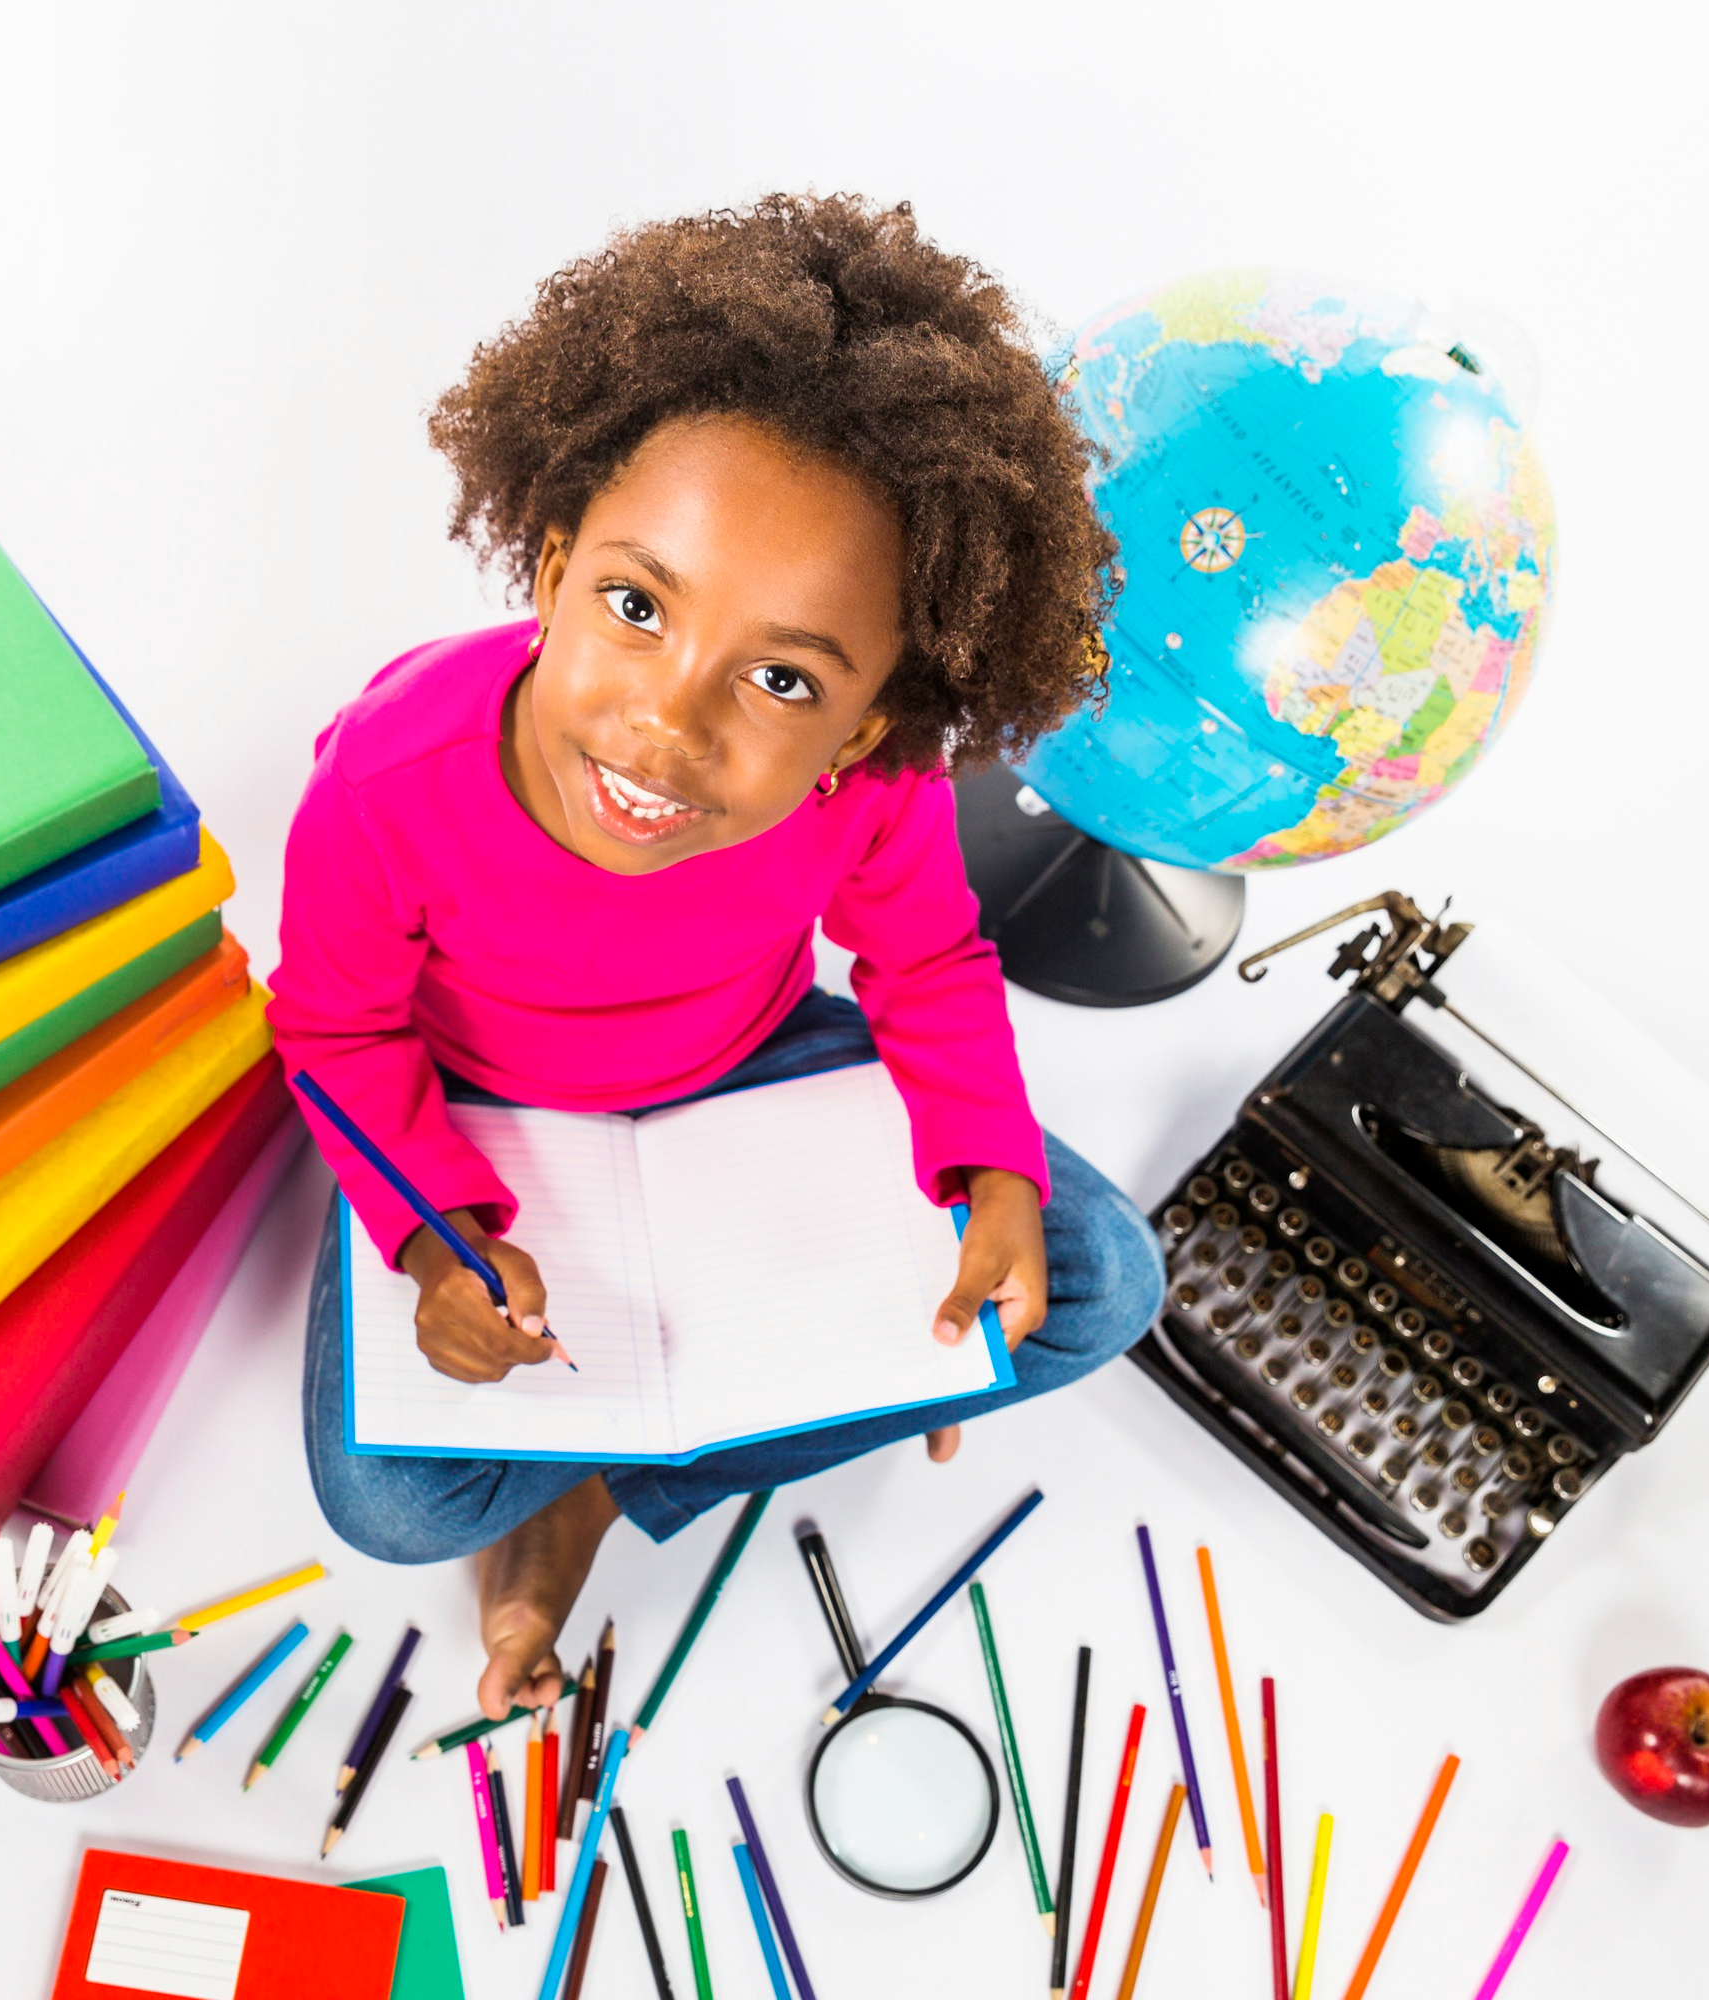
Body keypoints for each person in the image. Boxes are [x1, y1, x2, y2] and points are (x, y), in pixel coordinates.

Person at [269, 193, 1164, 1721]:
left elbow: (927, 962)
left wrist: (988, 1171)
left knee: (1099, 1282)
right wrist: (433, 1243)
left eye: (784, 680)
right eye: (636, 608)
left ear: (867, 728)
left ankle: (601, 1492)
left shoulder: (869, 791)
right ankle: (663, 1442)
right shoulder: (386, 780)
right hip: (486, 1108)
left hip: (751, 1063)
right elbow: (337, 1036)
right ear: (552, 569)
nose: (666, 724)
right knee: (396, 1510)